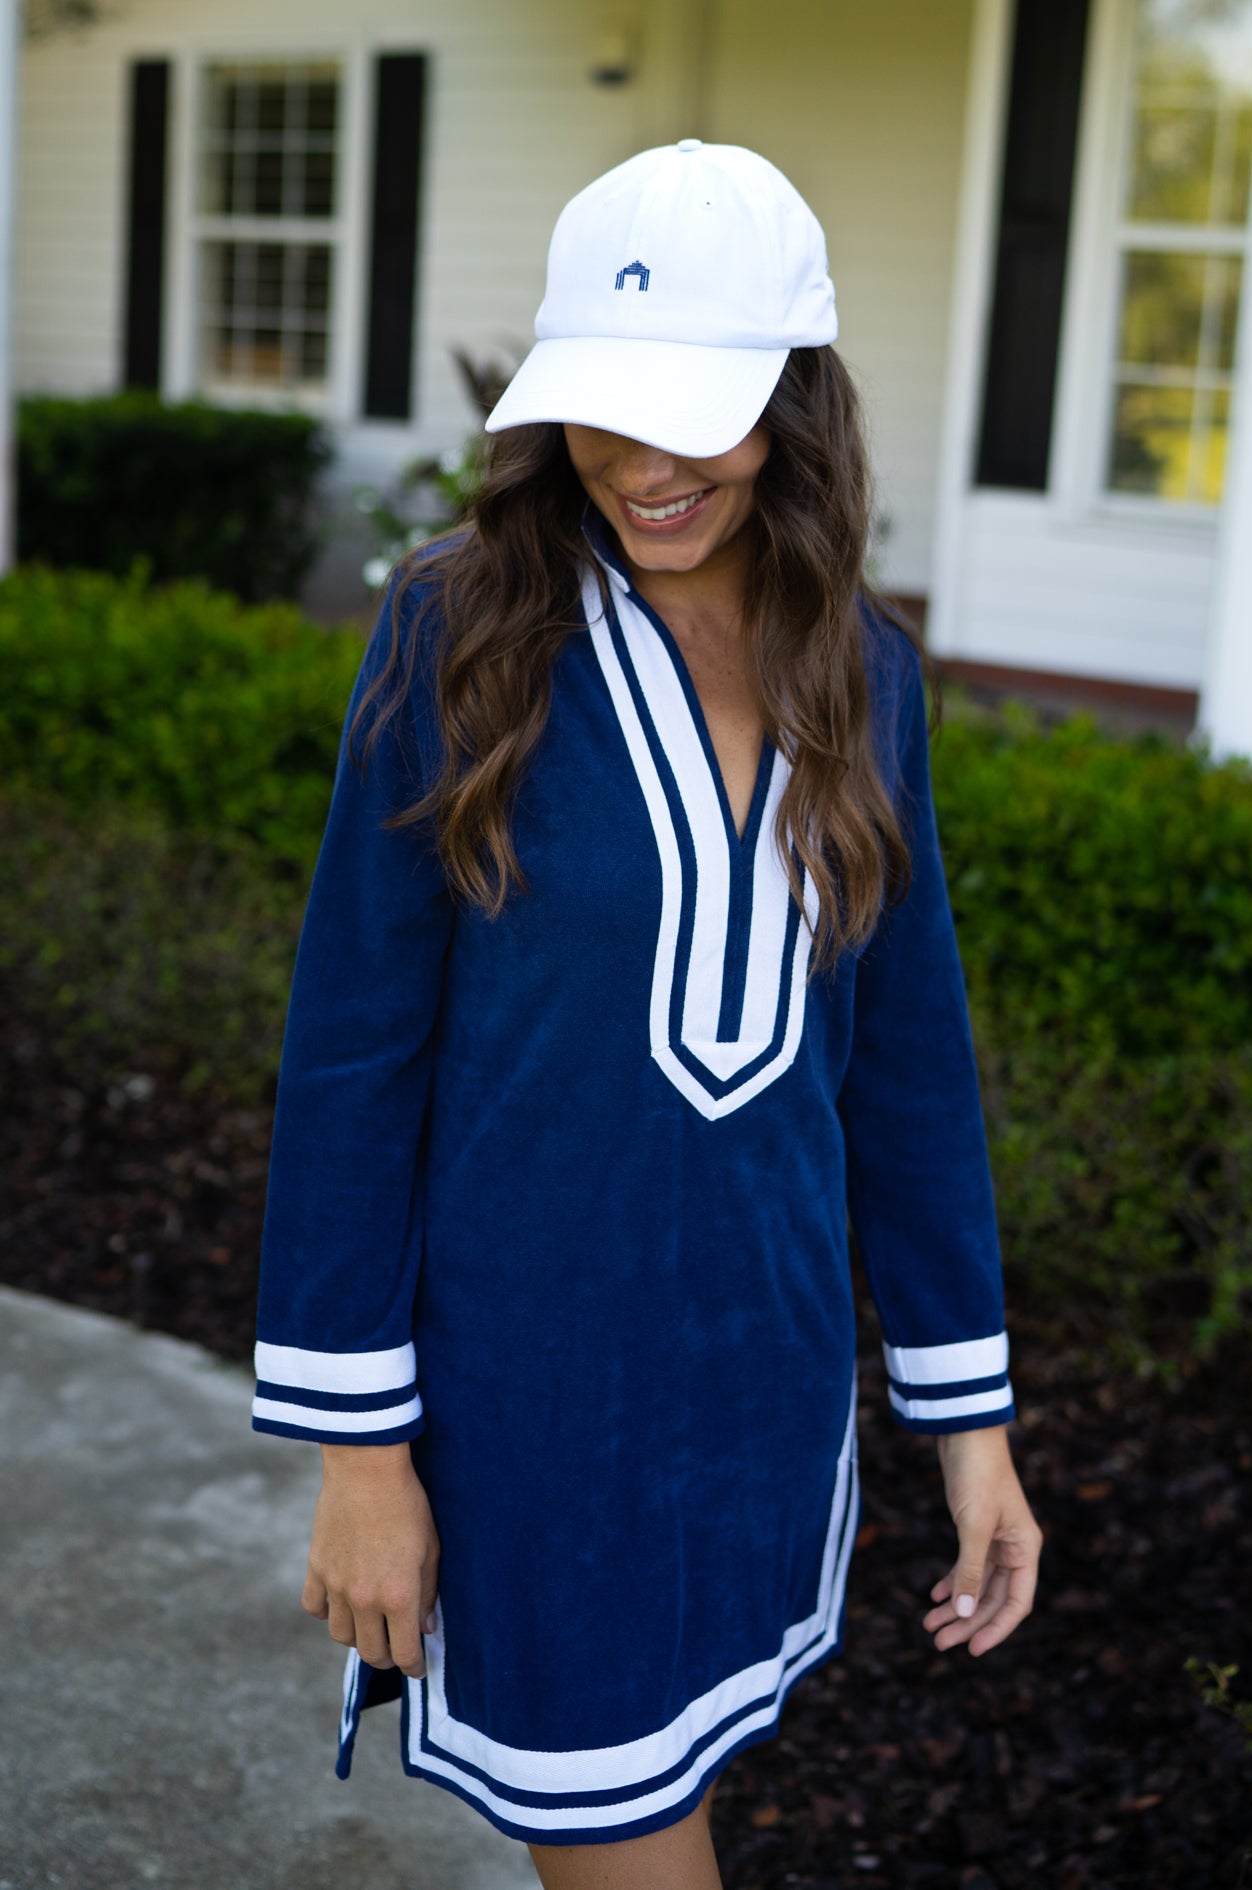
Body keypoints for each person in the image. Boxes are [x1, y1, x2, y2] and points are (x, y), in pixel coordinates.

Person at [251, 139, 1042, 1890]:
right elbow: (353, 1056)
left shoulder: (870, 675)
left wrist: (967, 1430)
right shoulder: (456, 638)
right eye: (602, 406)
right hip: (531, 1407)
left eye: (697, 407)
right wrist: (360, 1457)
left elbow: (905, 1066)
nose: (640, 460)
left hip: (762, 1388)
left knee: (686, 1779)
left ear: (794, 395)